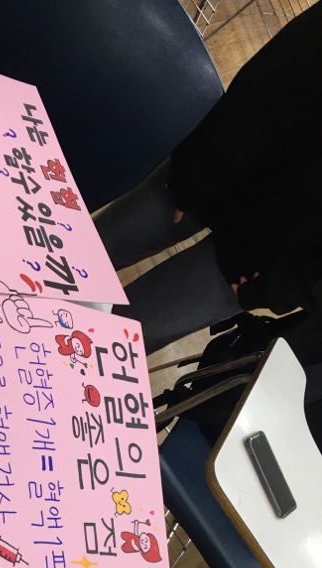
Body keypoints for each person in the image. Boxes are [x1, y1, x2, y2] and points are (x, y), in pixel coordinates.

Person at [94, 1, 322, 355]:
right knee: (64, 262)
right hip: (223, 169)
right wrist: (200, 167)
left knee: (102, 347)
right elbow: (281, 72)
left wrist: (285, 287)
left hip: (269, 260)